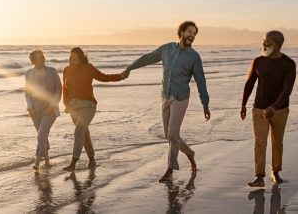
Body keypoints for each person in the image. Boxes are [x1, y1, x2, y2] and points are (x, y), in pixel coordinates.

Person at [122, 21, 210, 182]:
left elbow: (201, 81)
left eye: (194, 33)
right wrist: (130, 67)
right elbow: (147, 58)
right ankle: (190, 153)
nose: (192, 35)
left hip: (181, 97)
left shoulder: (194, 57)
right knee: (168, 135)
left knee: (173, 132)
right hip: (165, 96)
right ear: (182, 32)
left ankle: (170, 170)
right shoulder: (167, 49)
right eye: (190, 32)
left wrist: (205, 104)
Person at [241, 30, 296, 187]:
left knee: (277, 142)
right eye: (263, 41)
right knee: (260, 143)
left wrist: (274, 106)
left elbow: (287, 90)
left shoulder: (289, 64)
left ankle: (275, 172)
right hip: (259, 109)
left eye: (268, 42)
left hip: (280, 110)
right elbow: (250, 83)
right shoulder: (258, 61)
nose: (264, 44)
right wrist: (243, 104)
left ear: (277, 45)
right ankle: (259, 177)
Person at [62, 47, 124, 172]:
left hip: (88, 106)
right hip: (73, 107)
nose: (71, 61)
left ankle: (73, 163)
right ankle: (92, 159)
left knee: (78, 132)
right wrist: (66, 104)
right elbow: (65, 88)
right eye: (70, 58)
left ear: (81, 59)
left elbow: (103, 77)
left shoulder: (88, 68)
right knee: (84, 134)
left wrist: (120, 76)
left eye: (74, 59)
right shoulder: (66, 70)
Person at [25, 49, 62, 170]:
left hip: (49, 108)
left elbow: (58, 90)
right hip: (35, 109)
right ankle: (47, 162)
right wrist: (30, 107)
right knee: (42, 136)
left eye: (43, 56)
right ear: (33, 61)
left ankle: (37, 160)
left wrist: (52, 106)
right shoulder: (29, 73)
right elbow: (28, 92)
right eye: (40, 57)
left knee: (41, 135)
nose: (43, 59)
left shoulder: (52, 71)